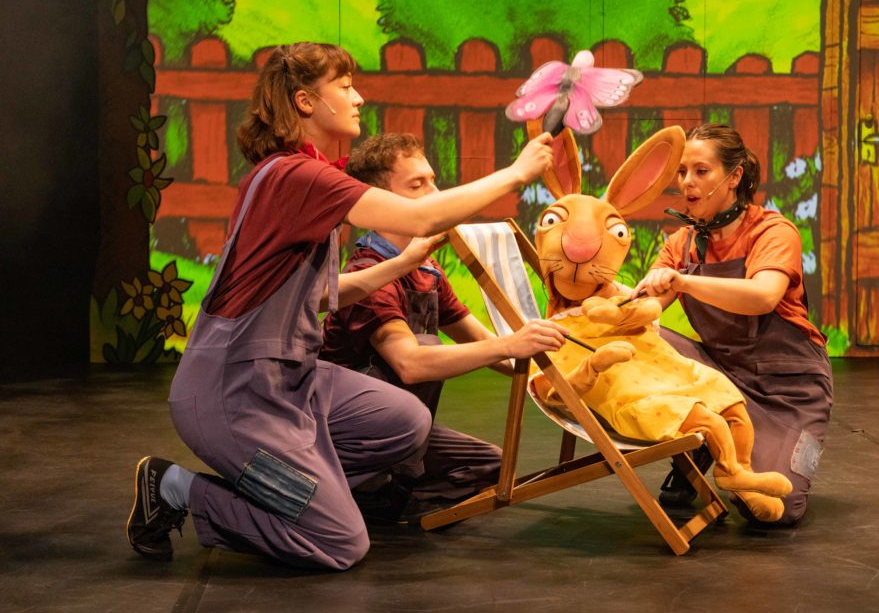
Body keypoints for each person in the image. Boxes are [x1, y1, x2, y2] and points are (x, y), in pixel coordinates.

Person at [126, 42, 559, 571]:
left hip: (291, 377)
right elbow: (421, 217)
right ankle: (176, 487)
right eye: (346, 86)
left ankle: (307, 490)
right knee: (341, 543)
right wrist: (516, 174)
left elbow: (319, 294)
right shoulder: (295, 176)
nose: (359, 98)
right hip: (235, 389)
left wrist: (403, 264)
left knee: (404, 419)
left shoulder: (302, 174)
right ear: (305, 101)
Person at [318, 134, 567, 517]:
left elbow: (481, 341)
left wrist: (557, 375)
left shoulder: (428, 269)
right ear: (380, 201)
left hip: (407, 425)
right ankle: (366, 484)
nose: (435, 194)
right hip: (353, 427)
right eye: (417, 185)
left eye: (432, 180)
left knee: (493, 467)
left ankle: (392, 495)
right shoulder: (369, 273)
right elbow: (410, 364)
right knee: (427, 347)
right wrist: (509, 345)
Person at [637, 123, 832, 526]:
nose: (687, 182)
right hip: (720, 378)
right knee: (642, 339)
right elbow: (645, 311)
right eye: (682, 172)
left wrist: (683, 281)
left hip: (787, 386)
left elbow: (763, 295)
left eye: (701, 171)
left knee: (775, 509)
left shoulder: (772, 230)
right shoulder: (680, 244)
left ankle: (723, 445)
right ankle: (699, 447)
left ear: (734, 176)